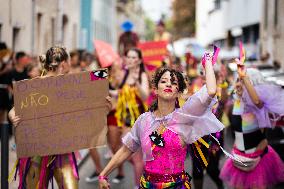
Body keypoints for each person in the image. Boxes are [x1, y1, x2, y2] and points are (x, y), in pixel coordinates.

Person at [99, 53, 224, 189]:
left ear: (178, 92)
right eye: (163, 81)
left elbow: (211, 91)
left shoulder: (185, 117)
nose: (168, 84)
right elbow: (126, 150)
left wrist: (208, 62)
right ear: (156, 90)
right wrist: (103, 174)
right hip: (148, 185)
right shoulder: (144, 120)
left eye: (173, 82)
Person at [8, 46, 112, 189]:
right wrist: (13, 117)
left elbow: (90, 106)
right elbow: (13, 111)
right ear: (63, 64)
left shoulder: (73, 84)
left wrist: (104, 108)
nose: (70, 64)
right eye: (69, 61)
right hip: (38, 152)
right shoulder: (35, 84)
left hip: (62, 150)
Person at [220, 59, 284, 189]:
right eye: (237, 80)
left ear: (252, 84)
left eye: (242, 81)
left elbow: (256, 100)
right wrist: (222, 84)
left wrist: (245, 77)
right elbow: (223, 104)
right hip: (239, 159)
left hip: (257, 160)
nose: (238, 84)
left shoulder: (257, 106)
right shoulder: (236, 103)